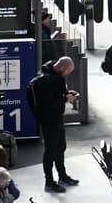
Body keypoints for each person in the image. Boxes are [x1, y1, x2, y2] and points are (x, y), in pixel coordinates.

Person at [26, 56, 80, 193]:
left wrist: (67, 94)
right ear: (62, 67)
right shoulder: (47, 80)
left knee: (60, 146)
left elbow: (58, 93)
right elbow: (48, 103)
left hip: (57, 118)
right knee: (50, 150)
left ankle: (62, 175)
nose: (68, 74)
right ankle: (49, 181)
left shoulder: (56, 75)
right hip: (48, 119)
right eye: (68, 71)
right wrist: (65, 99)